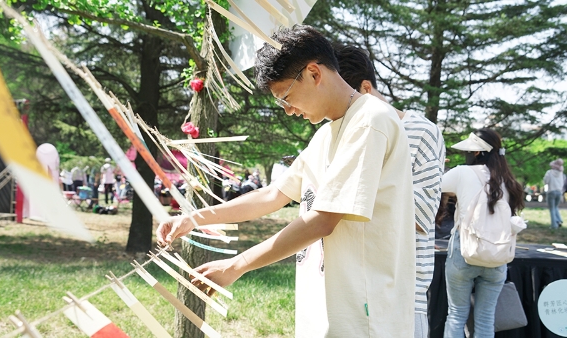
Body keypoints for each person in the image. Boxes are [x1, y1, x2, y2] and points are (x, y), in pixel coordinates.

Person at [157, 25, 416, 336]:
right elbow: (272, 195)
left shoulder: (371, 120)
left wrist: (236, 265)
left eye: (287, 97)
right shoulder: (325, 135)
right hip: (327, 311)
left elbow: (323, 220)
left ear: (313, 73)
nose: (290, 111)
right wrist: (193, 219)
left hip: (363, 316)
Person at [335, 44, 445, 338]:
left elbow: (419, 217)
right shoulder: (345, 134)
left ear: (366, 89)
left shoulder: (422, 132)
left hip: (401, 295)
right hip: (351, 292)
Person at [441, 129, 524, 337]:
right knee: (486, 318)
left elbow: (433, 185)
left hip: (465, 252)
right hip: (497, 256)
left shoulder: (461, 173)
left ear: (477, 152)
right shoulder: (508, 180)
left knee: (456, 315)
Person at [544, 158, 565, 228]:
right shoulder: (561, 173)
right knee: (556, 207)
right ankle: (559, 220)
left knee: (552, 208)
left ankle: (554, 225)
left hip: (551, 191)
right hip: (559, 192)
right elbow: (563, 183)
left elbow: (546, 181)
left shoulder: (549, 172)